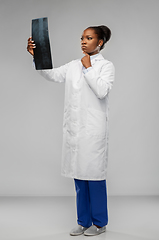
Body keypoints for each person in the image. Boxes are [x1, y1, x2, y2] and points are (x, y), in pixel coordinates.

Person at [27, 25, 115, 236]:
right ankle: (83, 221)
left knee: (94, 178)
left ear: (100, 42)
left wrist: (89, 68)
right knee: (79, 176)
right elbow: (52, 75)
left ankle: (100, 223)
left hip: (93, 131)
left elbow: (102, 91)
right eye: (82, 38)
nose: (83, 41)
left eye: (89, 38)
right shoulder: (74, 65)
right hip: (75, 130)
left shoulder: (106, 66)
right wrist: (36, 56)